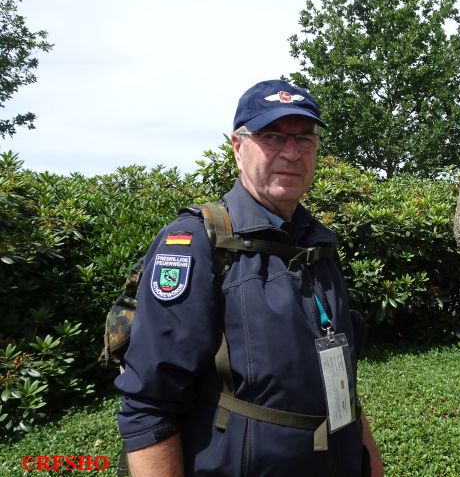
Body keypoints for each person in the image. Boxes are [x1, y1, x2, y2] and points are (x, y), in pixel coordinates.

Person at [115, 79, 384, 477]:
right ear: (238, 148)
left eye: (304, 138)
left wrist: (371, 466)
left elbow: (341, 381)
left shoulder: (319, 246)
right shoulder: (196, 244)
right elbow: (150, 406)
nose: (291, 153)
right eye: (272, 136)